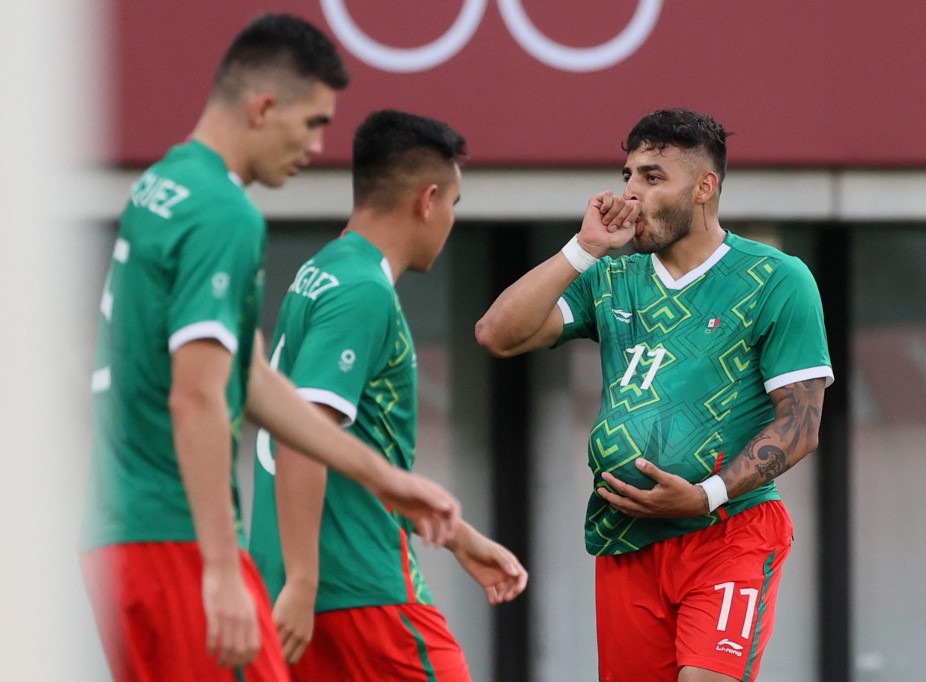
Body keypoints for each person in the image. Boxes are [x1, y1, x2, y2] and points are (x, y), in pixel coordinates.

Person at [80, 15, 461, 682]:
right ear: (263, 107)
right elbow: (196, 394)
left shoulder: (164, 185)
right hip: (176, 538)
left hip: (120, 530)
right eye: (313, 122)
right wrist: (223, 571)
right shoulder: (225, 215)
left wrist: (384, 477)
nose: (318, 146)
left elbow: (249, 378)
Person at [475, 108, 832, 682]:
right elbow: (497, 334)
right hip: (627, 537)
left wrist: (706, 494)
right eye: (628, 176)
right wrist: (582, 250)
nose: (631, 194)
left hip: (728, 530)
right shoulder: (611, 275)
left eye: (653, 177)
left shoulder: (776, 278)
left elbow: (801, 424)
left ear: (704, 188)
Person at [248, 109, 528, 682]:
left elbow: (356, 447)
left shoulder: (321, 272)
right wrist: (306, 579)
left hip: (298, 580)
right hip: (359, 587)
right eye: (453, 204)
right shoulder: (362, 292)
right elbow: (304, 434)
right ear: (427, 200)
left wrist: (460, 539)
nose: (450, 220)